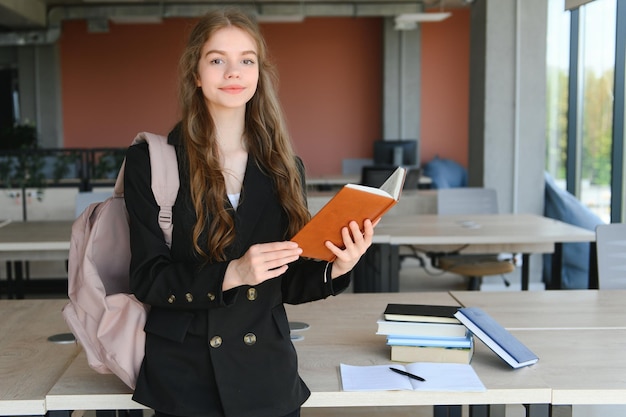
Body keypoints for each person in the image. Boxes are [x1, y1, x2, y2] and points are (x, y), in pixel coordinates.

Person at [123, 8, 375, 417]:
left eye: (247, 60)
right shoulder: (151, 162)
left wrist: (338, 266)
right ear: (195, 74)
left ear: (259, 73)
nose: (233, 72)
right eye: (217, 59)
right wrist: (233, 274)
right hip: (184, 381)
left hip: (267, 379)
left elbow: (288, 283)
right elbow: (147, 278)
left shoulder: (284, 166)